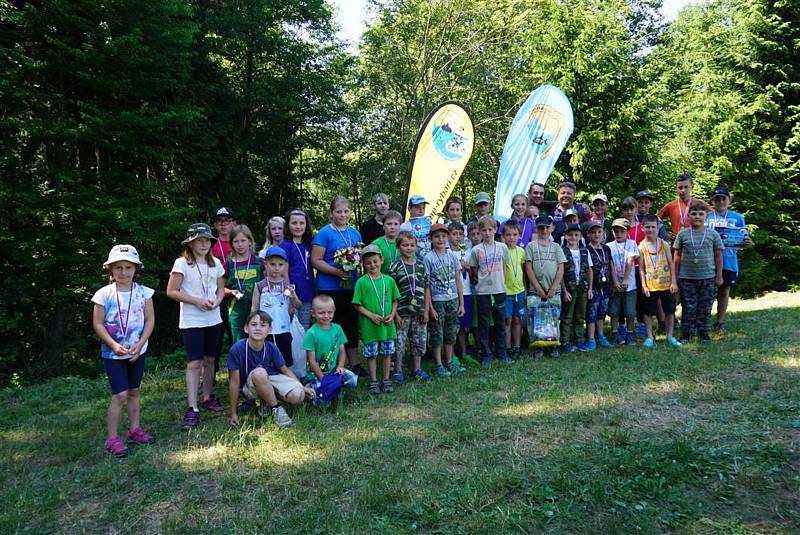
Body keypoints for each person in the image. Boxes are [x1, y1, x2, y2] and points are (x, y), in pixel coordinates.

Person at [92, 245, 156, 458]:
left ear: (135, 269)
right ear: (110, 269)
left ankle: (135, 430)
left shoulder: (144, 293)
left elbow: (150, 320)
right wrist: (112, 344)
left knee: (134, 392)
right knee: (119, 395)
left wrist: (140, 344)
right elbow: (98, 324)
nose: (123, 272)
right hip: (113, 354)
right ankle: (112, 438)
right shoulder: (103, 295)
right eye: (118, 267)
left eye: (128, 267)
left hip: (138, 351)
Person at [166, 223, 227, 429]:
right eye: (199, 240)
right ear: (190, 243)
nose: (204, 243)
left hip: (214, 318)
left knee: (210, 359)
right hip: (192, 319)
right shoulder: (182, 263)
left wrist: (217, 301)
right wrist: (196, 301)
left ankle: (208, 397)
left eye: (207, 240)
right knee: (195, 362)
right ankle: (192, 407)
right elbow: (172, 291)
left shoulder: (216, 263)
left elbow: (221, 289)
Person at [311, 196, 367, 377]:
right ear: (331, 213)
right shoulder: (324, 233)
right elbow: (316, 260)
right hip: (330, 287)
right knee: (332, 325)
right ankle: (331, 364)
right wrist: (337, 272)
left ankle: (354, 363)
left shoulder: (355, 233)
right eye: (338, 211)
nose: (343, 215)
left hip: (351, 287)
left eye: (346, 211)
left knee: (350, 325)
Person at [227, 311, 311, 428]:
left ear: (270, 330)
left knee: (298, 395)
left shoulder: (271, 347)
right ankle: (276, 409)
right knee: (260, 372)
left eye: (263, 325)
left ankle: (266, 402)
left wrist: (301, 387)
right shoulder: (237, 349)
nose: (258, 328)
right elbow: (234, 383)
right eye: (254, 324)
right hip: (251, 386)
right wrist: (233, 413)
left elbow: (285, 370)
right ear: (246, 328)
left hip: (270, 380)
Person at [673, 200, 724, 343]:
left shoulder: (713, 235)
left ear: (706, 216)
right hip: (687, 278)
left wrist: (719, 276)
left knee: (705, 307)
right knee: (688, 307)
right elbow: (677, 255)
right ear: (688, 215)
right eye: (694, 214)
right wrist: (675, 275)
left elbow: (719, 255)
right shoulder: (682, 234)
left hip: (708, 277)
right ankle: (686, 334)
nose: (697, 217)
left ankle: (703, 334)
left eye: (700, 214)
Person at [352, 244, 400, 394]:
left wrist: (392, 315)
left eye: (375, 261)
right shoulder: (361, 282)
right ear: (363, 264)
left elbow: (395, 300)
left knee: (387, 353)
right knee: (371, 355)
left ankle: (386, 379)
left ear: (381, 260)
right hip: (370, 326)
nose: (372, 265)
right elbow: (357, 305)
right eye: (368, 263)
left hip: (387, 325)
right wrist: (371, 316)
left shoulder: (389, 280)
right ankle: (373, 381)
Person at [705, 187, 753, 333]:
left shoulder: (738, 217)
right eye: (717, 199)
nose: (720, 202)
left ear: (729, 200)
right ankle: (703, 322)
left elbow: (743, 239)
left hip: (729, 260)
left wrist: (748, 243)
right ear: (712, 201)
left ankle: (720, 322)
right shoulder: (706, 216)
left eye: (723, 199)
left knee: (724, 292)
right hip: (707, 260)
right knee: (707, 293)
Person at [389, 231, 432, 383]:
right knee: (399, 342)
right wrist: (395, 315)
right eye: (405, 245)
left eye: (412, 245)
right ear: (398, 247)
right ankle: (398, 370)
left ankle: (417, 369)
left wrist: (426, 310)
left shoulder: (421, 265)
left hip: (419, 311)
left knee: (419, 340)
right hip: (401, 312)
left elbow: (427, 288)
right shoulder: (394, 267)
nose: (409, 248)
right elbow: (391, 292)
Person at [470, 215, 512, 365]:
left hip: (499, 290)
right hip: (483, 292)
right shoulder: (476, 250)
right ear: (479, 232)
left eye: (490, 229)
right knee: (484, 323)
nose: (487, 233)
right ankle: (485, 353)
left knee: (500, 322)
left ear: (495, 229)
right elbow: (474, 270)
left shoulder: (503, 247)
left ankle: (501, 351)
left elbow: (505, 268)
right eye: (484, 230)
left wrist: (503, 285)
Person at [425, 224, 465, 376]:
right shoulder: (428, 258)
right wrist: (430, 307)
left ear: (447, 237)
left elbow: (458, 280)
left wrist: (461, 302)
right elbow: (427, 284)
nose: (440, 239)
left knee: (450, 332)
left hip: (453, 299)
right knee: (437, 333)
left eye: (443, 236)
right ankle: (438, 364)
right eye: (436, 237)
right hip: (437, 300)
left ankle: (449, 361)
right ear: (431, 238)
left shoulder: (452, 256)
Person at [251, 246, 301, 365]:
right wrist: (253, 326)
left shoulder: (288, 286)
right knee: (265, 359)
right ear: (266, 264)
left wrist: (294, 297)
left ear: (285, 265)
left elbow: (298, 306)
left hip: (284, 330)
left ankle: (285, 380)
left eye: (280, 264)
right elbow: (254, 308)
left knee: (285, 361)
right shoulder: (259, 285)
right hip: (265, 331)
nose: (276, 268)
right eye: (272, 264)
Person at [524, 215, 565, 358]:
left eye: (547, 227)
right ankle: (538, 347)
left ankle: (553, 346)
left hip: (554, 291)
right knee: (535, 320)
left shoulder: (556, 247)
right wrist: (539, 288)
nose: (544, 230)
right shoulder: (531, 247)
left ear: (552, 227)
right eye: (541, 227)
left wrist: (554, 287)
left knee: (554, 319)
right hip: (536, 291)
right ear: (537, 228)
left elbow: (560, 269)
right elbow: (528, 269)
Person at [638, 215, 682, 348]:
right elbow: (641, 268)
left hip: (666, 284)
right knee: (648, 312)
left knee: (669, 311)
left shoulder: (665, 244)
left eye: (653, 227)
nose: (650, 230)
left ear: (658, 228)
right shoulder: (641, 247)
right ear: (642, 228)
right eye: (647, 227)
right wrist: (643, 285)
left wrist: (674, 282)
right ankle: (650, 337)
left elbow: (671, 263)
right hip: (650, 285)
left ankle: (669, 336)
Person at [303, 295, 358, 399]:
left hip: (333, 371)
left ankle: (335, 389)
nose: (326, 316)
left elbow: (342, 351)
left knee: (352, 380)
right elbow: (312, 360)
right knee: (320, 400)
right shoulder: (311, 333)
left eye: (329, 312)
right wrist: (323, 379)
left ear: (334, 311)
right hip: (316, 373)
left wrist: (340, 367)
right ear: (313, 313)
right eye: (321, 313)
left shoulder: (337, 328)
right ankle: (309, 386)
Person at [225, 225, 263, 343]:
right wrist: (232, 291)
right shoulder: (229, 264)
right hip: (236, 311)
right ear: (231, 244)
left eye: (243, 241)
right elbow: (221, 288)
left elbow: (267, 284)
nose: (240, 244)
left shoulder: (259, 262)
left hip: (258, 309)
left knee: (257, 342)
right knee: (238, 344)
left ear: (250, 242)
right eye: (236, 241)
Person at [279, 209, 315, 330]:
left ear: (306, 225)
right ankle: (292, 350)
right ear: (288, 225)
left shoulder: (309, 244)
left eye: (301, 223)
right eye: (294, 223)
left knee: (304, 327)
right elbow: (283, 273)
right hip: (292, 294)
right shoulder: (285, 245)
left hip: (307, 293)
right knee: (291, 326)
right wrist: (290, 294)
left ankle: (303, 350)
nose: (298, 226)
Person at [559, 224, 591, 353]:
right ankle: (565, 341)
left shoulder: (584, 251)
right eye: (570, 235)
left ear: (580, 236)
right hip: (569, 288)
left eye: (576, 235)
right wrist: (564, 291)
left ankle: (579, 340)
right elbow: (560, 272)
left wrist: (589, 288)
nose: (573, 237)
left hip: (582, 287)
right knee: (567, 316)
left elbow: (589, 270)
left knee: (580, 315)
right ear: (565, 236)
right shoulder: (562, 251)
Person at [607, 218, 639, 346]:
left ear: (627, 232)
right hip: (615, 285)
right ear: (612, 232)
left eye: (622, 231)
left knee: (630, 311)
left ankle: (630, 332)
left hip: (629, 284)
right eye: (616, 231)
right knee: (614, 311)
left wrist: (625, 279)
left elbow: (630, 261)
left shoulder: (632, 244)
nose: (619, 234)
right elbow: (610, 265)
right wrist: (615, 282)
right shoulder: (609, 246)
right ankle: (615, 332)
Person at [449, 222, 477, 366]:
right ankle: (451, 354)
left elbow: (473, 276)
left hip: (466, 292)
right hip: (451, 294)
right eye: (454, 234)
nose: (457, 237)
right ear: (449, 236)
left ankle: (464, 352)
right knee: (451, 325)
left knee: (463, 326)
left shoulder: (468, 252)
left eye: (460, 234)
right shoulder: (447, 253)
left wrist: (468, 268)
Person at [584, 221, 613, 351]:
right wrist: (589, 288)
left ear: (603, 234)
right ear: (588, 234)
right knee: (591, 313)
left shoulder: (606, 249)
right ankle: (591, 338)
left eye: (599, 232)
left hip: (606, 286)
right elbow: (588, 270)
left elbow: (610, 265)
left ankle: (601, 336)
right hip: (594, 287)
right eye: (593, 232)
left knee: (601, 313)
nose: (597, 234)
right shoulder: (586, 250)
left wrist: (613, 283)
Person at [501, 220, 526, 357]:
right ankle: (507, 347)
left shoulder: (521, 251)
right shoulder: (501, 250)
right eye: (508, 235)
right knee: (507, 320)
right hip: (506, 292)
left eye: (514, 234)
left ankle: (517, 346)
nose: (511, 237)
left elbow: (524, 271)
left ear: (519, 236)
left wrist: (525, 290)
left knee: (517, 320)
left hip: (519, 291)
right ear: (503, 236)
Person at [658, 173, 694, 242]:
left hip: (695, 245)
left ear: (691, 187)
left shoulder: (699, 204)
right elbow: (655, 220)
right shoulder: (670, 206)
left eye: (686, 187)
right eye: (680, 188)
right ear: (676, 189)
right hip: (676, 246)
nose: (683, 190)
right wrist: (665, 234)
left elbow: (713, 216)